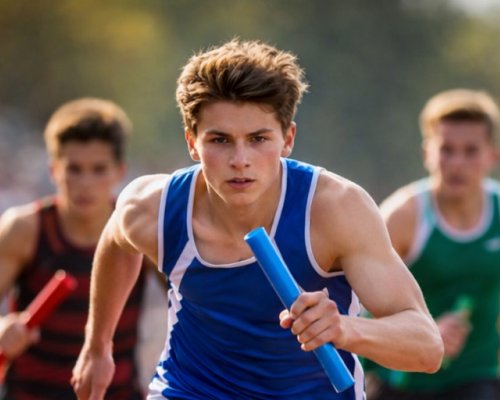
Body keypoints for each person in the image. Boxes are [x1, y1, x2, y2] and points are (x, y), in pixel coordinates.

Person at [70, 39, 443, 400]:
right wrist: (97, 345)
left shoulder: (334, 209)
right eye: (220, 140)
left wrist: (345, 329)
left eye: (258, 139)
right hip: (190, 390)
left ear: (287, 139)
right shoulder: (154, 207)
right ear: (192, 142)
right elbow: (116, 241)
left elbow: (427, 347)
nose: (240, 160)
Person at [373, 89, 500, 399]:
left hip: (478, 374)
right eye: (446, 150)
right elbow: (358, 300)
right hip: (401, 379)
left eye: (471, 151)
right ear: (427, 153)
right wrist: (421, 330)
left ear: (493, 156)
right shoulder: (402, 216)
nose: (457, 163)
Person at [0, 98, 147, 399]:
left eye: (98, 169)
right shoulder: (24, 229)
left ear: (119, 171)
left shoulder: (139, 229)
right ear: (54, 170)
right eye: (74, 169)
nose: (85, 183)